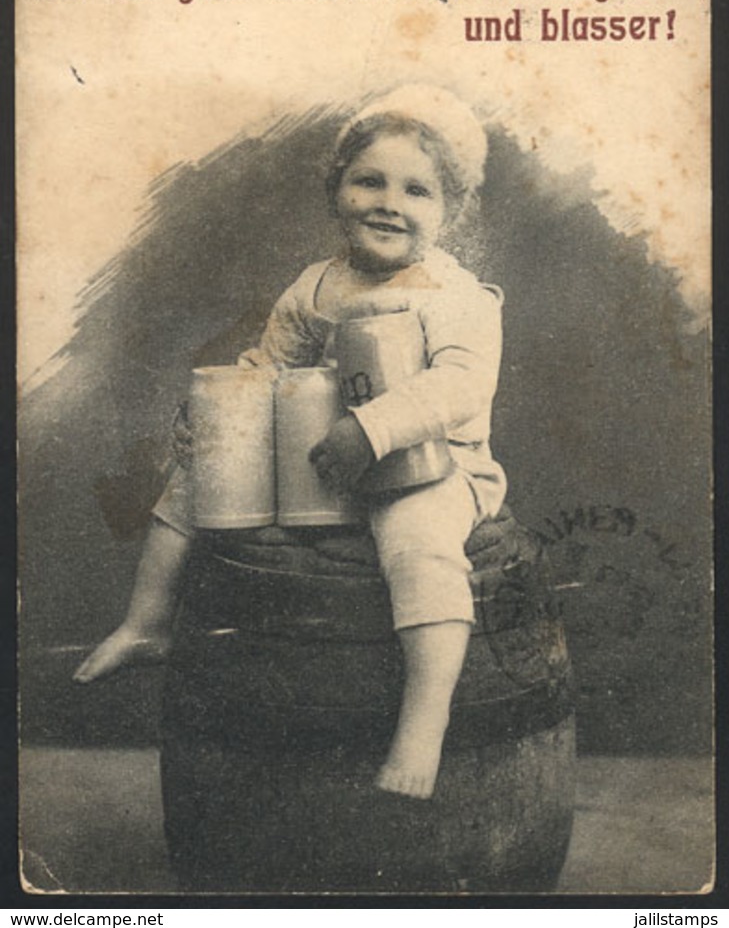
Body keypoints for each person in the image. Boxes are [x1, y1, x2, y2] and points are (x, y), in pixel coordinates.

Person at [74, 85, 507, 800]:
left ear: (448, 211)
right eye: (367, 179)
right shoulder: (315, 287)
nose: (388, 202)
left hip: (430, 466)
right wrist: (218, 418)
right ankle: (146, 620)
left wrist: (371, 429)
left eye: (416, 191)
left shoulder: (455, 297)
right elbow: (268, 369)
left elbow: (459, 388)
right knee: (199, 476)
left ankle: (420, 730)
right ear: (335, 188)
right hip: (323, 463)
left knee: (420, 538)